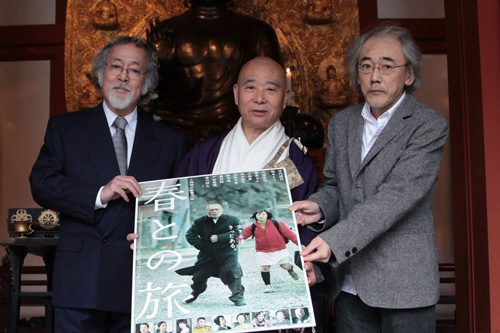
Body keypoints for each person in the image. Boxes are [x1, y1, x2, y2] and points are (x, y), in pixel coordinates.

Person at [290, 23, 449, 332]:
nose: (375, 75)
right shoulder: (342, 123)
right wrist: (319, 207)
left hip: (405, 285)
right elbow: (336, 186)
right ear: (356, 74)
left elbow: (396, 197)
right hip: (350, 283)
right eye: (366, 66)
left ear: (409, 75)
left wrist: (333, 241)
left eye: (387, 66)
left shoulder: (428, 125)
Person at [29, 35, 186, 331]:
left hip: (143, 282)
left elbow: (179, 208)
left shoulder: (170, 141)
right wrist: (101, 193)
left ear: (147, 83)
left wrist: (158, 237)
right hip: (81, 279)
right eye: (116, 66)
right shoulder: (66, 128)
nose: (123, 77)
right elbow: (42, 183)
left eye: (134, 70)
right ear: (101, 74)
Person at [146, 0, 282, 146]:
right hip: (182, 126)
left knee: (301, 127)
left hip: (235, 126)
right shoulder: (166, 31)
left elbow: (275, 89)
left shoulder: (258, 31)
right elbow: (150, 96)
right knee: (151, 126)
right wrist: (163, 64)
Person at [176, 203, 246, 306]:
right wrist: (202, 246)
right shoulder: (200, 221)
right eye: (211, 210)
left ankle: (238, 297)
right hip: (207, 254)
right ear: (207, 212)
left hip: (228, 253)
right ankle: (194, 293)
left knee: (232, 272)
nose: (214, 211)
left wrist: (220, 237)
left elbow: (239, 231)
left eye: (216, 209)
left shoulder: (232, 219)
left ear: (221, 210)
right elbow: (190, 235)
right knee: (198, 275)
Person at [241, 209, 300, 293]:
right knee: (265, 267)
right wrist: (229, 242)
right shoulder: (252, 227)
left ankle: (291, 270)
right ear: (255, 216)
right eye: (259, 214)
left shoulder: (277, 223)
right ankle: (268, 286)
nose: (261, 216)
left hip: (279, 249)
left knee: (285, 266)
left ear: (267, 215)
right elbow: (241, 236)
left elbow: (290, 234)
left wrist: (299, 244)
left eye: (263, 214)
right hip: (262, 250)